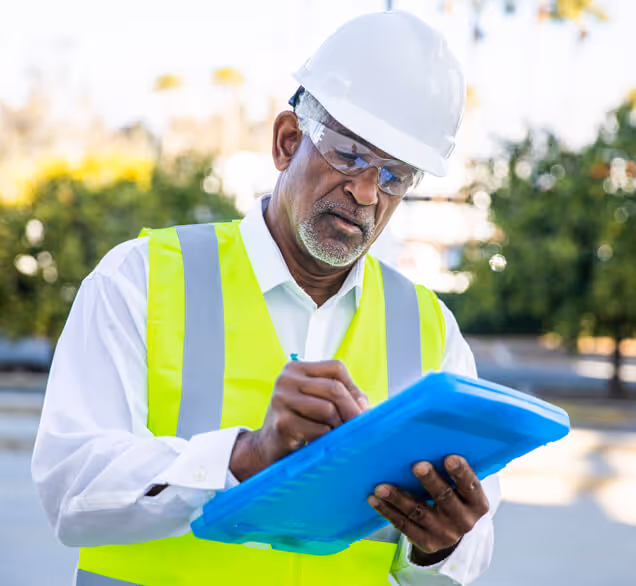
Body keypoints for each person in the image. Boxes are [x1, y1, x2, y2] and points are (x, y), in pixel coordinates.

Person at [32, 10, 500, 586]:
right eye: (349, 155)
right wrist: (243, 458)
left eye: (395, 176)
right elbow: (70, 486)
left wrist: (440, 545)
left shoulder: (430, 329)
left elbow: (471, 552)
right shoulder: (140, 278)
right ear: (287, 141)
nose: (365, 192)